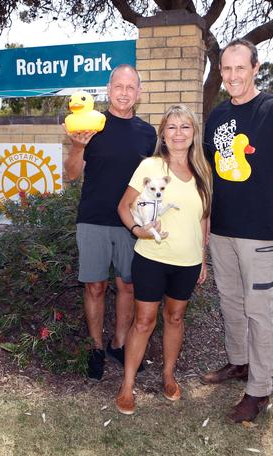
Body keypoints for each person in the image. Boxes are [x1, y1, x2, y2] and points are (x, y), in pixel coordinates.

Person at [201, 39, 273, 422]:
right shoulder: (218, 115)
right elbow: (209, 169)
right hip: (223, 227)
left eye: (240, 68)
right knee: (230, 300)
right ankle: (239, 363)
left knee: (259, 309)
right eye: (227, 69)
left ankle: (259, 390)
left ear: (256, 68)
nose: (233, 76)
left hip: (259, 231)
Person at [114, 104, 212, 415]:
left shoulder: (203, 171)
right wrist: (137, 230)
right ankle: (127, 385)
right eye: (172, 127)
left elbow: (203, 219)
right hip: (152, 257)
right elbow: (124, 206)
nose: (179, 133)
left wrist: (202, 259)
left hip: (187, 261)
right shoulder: (150, 167)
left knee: (175, 318)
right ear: (163, 135)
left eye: (185, 127)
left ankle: (168, 376)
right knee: (143, 321)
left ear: (194, 133)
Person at [63, 64, 156, 379]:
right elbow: (72, 174)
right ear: (109, 89)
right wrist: (78, 147)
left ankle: (118, 343)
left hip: (131, 220)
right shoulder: (92, 126)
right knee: (95, 286)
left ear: (139, 93)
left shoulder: (147, 132)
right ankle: (95, 347)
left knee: (128, 285)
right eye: (119, 86)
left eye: (131, 87)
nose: (125, 93)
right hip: (93, 218)